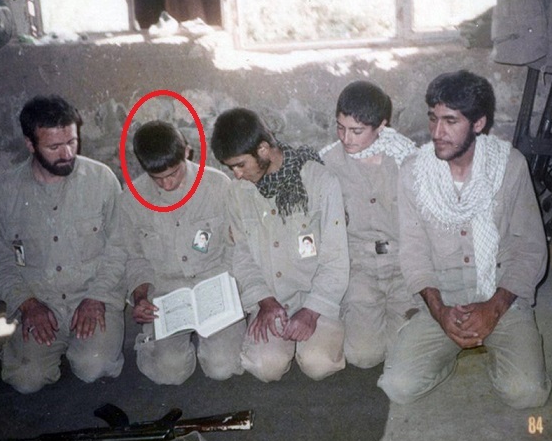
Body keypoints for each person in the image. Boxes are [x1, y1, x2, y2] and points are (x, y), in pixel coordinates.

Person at [378, 70, 551, 409]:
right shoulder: (414, 172)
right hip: (443, 300)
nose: (437, 132)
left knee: (526, 393)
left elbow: (531, 248)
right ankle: (452, 350)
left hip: (500, 296)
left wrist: (494, 309)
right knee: (398, 387)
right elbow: (413, 252)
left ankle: (498, 345)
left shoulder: (509, 166)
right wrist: (439, 311)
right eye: (433, 118)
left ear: (478, 123)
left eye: (450, 121)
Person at [0, 95, 125, 394]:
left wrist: (97, 297)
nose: (67, 153)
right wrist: (28, 304)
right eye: (54, 147)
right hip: (41, 302)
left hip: (93, 295)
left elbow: (121, 248)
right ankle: (41, 348)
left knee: (93, 367)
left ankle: (96, 341)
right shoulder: (6, 190)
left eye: (72, 142)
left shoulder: (102, 179)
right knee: (25, 379)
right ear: (30, 144)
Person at [211, 108, 350, 382]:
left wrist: (311, 311)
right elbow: (241, 255)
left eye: (240, 165)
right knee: (265, 367)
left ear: (263, 149)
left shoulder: (320, 181)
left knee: (318, 364)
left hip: (316, 297)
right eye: (231, 168)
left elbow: (335, 258)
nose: (236, 174)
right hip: (272, 298)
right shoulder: (237, 193)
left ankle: (318, 338)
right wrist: (264, 300)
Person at [116, 121, 245, 385]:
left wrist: (230, 289)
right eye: (157, 178)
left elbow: (236, 246)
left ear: (187, 152)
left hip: (215, 284)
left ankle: (219, 338)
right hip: (167, 292)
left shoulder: (218, 185)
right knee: (170, 372)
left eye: (173, 173)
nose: (167, 184)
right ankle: (152, 340)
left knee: (222, 367)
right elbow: (135, 258)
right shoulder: (131, 199)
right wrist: (140, 297)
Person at [320, 81, 417, 368]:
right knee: (364, 357)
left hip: (403, 266)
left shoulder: (406, 159)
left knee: (405, 353)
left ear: (381, 126)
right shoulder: (328, 163)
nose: (346, 138)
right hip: (359, 268)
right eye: (341, 128)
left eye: (357, 131)